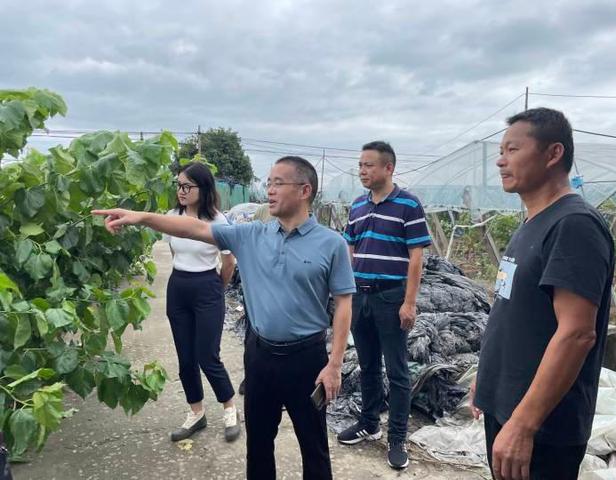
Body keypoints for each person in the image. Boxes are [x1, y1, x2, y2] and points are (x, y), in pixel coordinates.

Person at [93, 156, 355, 480]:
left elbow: (344, 303)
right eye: (268, 182)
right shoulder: (251, 235)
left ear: (304, 190)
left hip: (308, 360)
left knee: (314, 448)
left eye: (278, 183)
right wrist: (142, 218)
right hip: (260, 358)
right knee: (258, 446)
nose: (269, 190)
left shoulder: (332, 244)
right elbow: (195, 227)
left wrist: (334, 365)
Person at [471, 108, 615, 480]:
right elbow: (515, 312)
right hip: (508, 407)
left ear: (553, 154)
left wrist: (523, 424)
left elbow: (577, 333)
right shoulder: (534, 221)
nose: (501, 161)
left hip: (543, 429)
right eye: (501, 151)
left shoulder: (573, 225)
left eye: (513, 149)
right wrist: (487, 378)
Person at [337, 141, 431, 470]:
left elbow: (417, 257)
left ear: (388, 168)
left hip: (391, 296)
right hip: (360, 295)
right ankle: (369, 423)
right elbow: (350, 247)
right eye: (360, 165)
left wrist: (409, 302)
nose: (362, 171)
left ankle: (397, 437)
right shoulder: (358, 205)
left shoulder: (408, 204)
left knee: (398, 370)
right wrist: (346, 290)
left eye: (369, 165)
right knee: (368, 365)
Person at [162, 162, 240, 442]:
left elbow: (228, 262)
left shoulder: (217, 221)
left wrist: (216, 288)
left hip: (207, 286)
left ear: (203, 188)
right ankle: (196, 412)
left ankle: (229, 408)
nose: (181, 191)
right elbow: (174, 250)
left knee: (207, 355)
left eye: (187, 186)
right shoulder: (173, 216)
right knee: (186, 359)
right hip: (178, 287)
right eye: (178, 185)